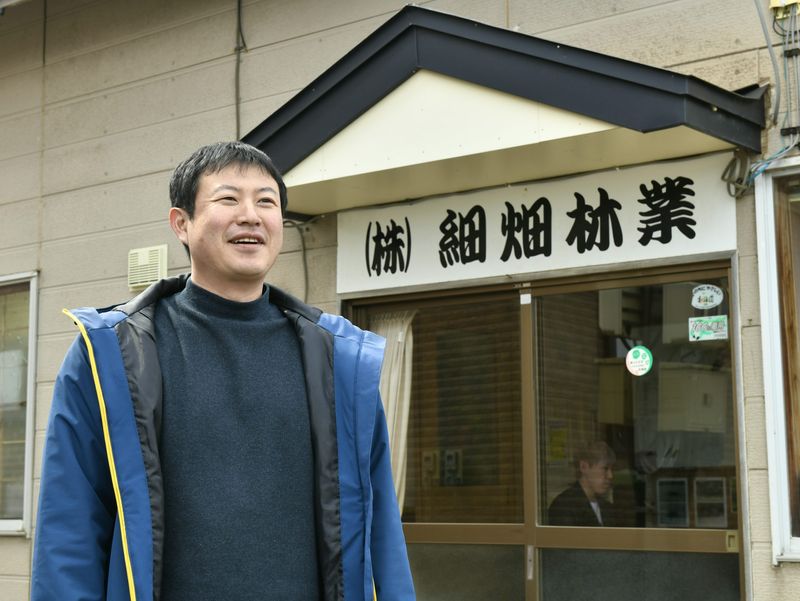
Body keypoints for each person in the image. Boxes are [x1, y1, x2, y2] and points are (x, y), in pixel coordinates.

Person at [31, 141, 415, 601]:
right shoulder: (110, 356)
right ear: (182, 223)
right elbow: (70, 529)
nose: (250, 216)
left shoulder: (341, 360)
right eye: (229, 198)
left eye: (266, 202)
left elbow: (381, 530)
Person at [548, 441, 616, 527]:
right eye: (605, 468)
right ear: (584, 467)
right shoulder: (563, 506)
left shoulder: (607, 507)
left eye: (612, 469)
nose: (610, 476)